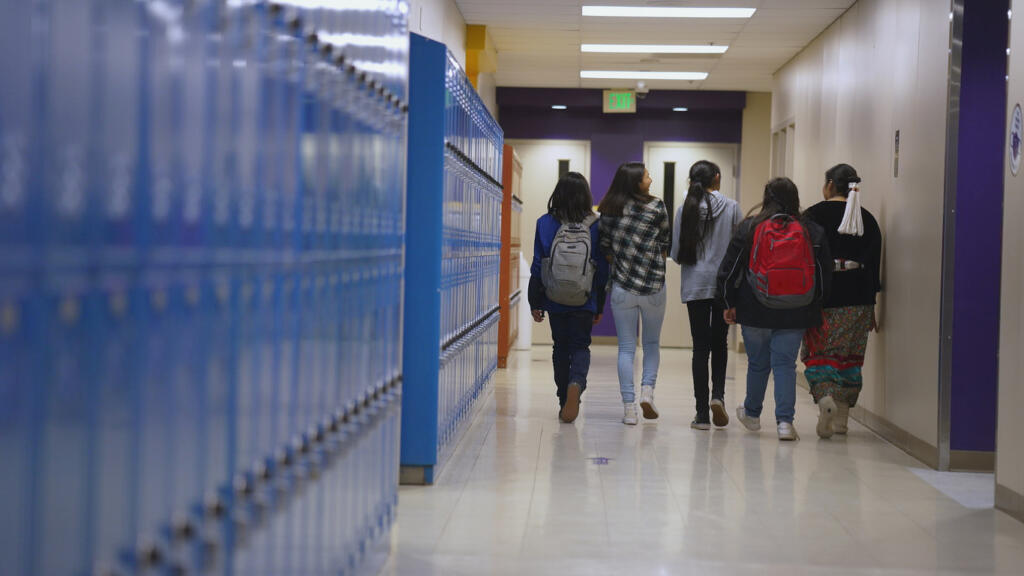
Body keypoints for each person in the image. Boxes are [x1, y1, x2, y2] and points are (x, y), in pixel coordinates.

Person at [716, 177, 832, 441]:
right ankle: (784, 424)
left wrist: (727, 302)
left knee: (758, 364)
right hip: (797, 308)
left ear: (766, 197)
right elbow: (824, 275)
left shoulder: (749, 227)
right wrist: (816, 305)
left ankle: (753, 415)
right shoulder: (811, 230)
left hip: (755, 307)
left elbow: (729, 269)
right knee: (785, 365)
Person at [800, 164, 882, 438]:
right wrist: (871, 305)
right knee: (850, 359)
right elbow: (873, 266)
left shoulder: (812, 216)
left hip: (824, 298)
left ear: (830, 185)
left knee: (819, 356)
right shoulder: (867, 219)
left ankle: (826, 401)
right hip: (859, 299)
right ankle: (843, 422)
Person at [529, 172, 610, 423]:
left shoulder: (544, 222)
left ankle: (564, 399)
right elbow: (603, 270)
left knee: (560, 347)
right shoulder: (596, 225)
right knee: (580, 346)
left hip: (555, 297)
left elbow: (537, 266)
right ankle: (577, 383)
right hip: (584, 298)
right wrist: (599, 304)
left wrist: (535, 302)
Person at [671, 160, 742, 431]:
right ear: (717, 177)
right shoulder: (733, 207)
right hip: (723, 285)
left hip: (695, 285)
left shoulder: (684, 209)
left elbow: (676, 254)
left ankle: (701, 414)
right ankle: (718, 397)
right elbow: (738, 250)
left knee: (699, 347)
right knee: (720, 343)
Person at [598, 162, 671, 425]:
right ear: (635, 182)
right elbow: (664, 245)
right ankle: (647, 393)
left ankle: (629, 408)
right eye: (646, 175)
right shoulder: (657, 207)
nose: (650, 178)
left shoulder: (608, 210)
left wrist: (625, 262)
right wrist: (652, 267)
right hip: (653, 287)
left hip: (622, 287)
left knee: (626, 348)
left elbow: (605, 248)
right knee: (651, 344)